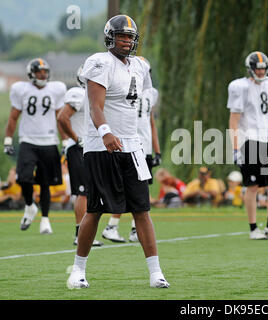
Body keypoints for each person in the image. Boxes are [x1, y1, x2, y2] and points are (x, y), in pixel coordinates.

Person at [66, 15, 169, 289]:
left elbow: (139, 105)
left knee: (142, 209)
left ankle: (155, 272)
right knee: (96, 209)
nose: (126, 41)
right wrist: (105, 132)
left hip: (133, 145)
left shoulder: (140, 66)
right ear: (110, 37)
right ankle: (78, 270)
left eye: (130, 37)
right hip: (101, 145)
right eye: (121, 36)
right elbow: (95, 105)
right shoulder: (99, 62)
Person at [227, 51, 268, 240]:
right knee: (253, 186)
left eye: (263, 68)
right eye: (257, 68)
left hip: (267, 139)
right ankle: (253, 228)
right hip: (249, 140)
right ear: (250, 69)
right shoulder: (240, 87)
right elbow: (234, 121)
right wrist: (236, 148)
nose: (261, 72)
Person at [101, 56, 162, 243]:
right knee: (126, 189)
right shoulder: (126, 89)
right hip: (129, 144)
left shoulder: (151, 93)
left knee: (140, 192)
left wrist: (156, 149)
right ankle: (112, 225)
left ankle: (135, 229)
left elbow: (151, 122)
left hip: (144, 146)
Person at [3, 57, 67, 234]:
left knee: (45, 183)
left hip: (49, 141)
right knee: (23, 177)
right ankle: (30, 206)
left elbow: (60, 117)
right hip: (28, 140)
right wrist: (8, 140)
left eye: (45, 71)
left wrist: (66, 140)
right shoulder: (21, 89)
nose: (43, 74)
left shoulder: (56, 89)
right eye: (39, 71)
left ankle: (45, 219)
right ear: (31, 74)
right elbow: (13, 117)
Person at [57, 64, 103, 246]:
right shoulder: (78, 93)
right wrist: (76, 139)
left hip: (90, 147)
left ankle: (85, 234)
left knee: (90, 192)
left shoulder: (95, 96)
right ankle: (80, 234)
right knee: (83, 192)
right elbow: (62, 117)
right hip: (79, 148)